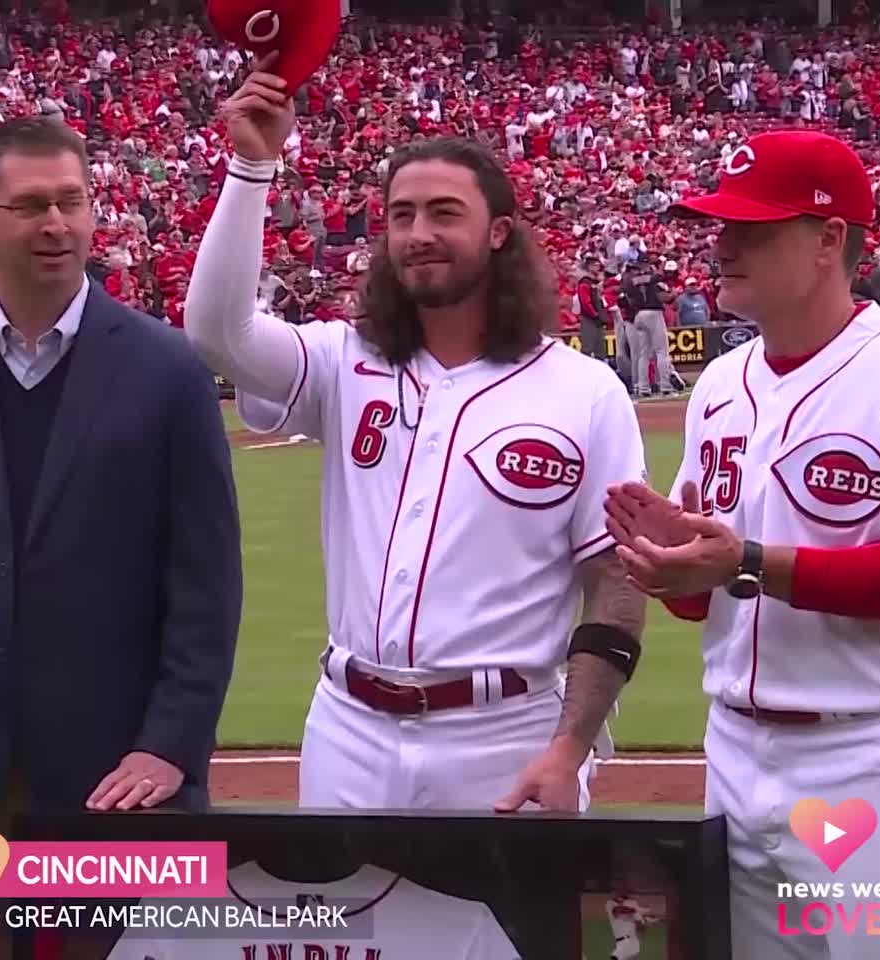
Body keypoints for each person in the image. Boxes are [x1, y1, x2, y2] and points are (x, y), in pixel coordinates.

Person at [185, 56, 648, 813]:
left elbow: (616, 585)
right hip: (348, 727)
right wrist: (251, 164)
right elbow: (217, 334)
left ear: (499, 233)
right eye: (400, 215)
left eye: (443, 213)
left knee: (507, 936)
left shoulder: (584, 390)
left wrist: (570, 750)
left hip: (507, 734)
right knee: (346, 934)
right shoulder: (346, 360)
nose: (417, 233)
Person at [604, 130, 880, 960]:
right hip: (734, 752)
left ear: (829, 242)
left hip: (864, 759)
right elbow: (704, 597)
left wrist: (745, 560)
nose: (722, 244)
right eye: (718, 223)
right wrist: (672, 564)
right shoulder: (719, 384)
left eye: (754, 228)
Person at [0, 118, 243, 959]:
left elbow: (206, 586)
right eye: (32, 205)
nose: (56, 225)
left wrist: (170, 746)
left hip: (113, 776)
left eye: (71, 202)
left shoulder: (168, 370)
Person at [620, 257, 675, 397]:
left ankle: (643, 387)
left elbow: (624, 297)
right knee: (661, 351)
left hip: (638, 314)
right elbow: (662, 288)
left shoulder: (630, 280)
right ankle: (665, 385)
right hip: (653, 312)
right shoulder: (652, 276)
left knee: (644, 354)